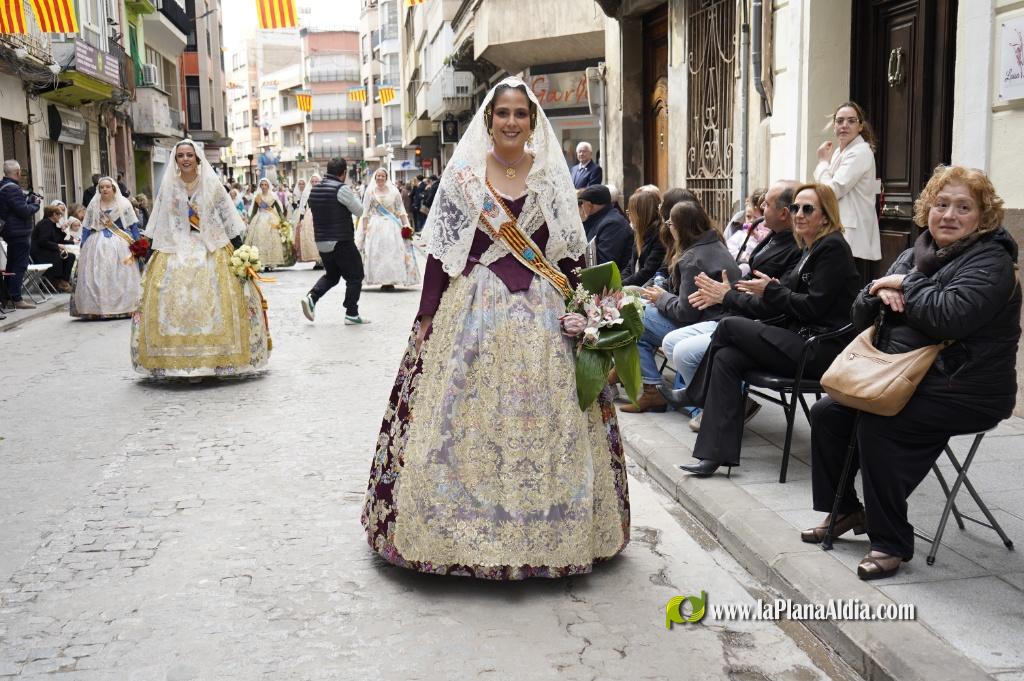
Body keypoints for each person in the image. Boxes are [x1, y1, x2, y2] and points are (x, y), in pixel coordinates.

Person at [360, 76, 629, 579]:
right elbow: (442, 256)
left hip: (545, 316)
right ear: (489, 120)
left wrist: (589, 312)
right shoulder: (463, 176)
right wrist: (426, 315)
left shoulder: (551, 178)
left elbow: (568, 257)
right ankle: (459, 530)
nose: (511, 122)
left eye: (520, 114)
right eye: (502, 113)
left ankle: (548, 530)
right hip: (473, 309)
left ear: (532, 122)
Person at [804, 166, 1021, 581]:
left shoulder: (992, 261)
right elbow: (858, 314)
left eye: (963, 207)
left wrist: (905, 283)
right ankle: (846, 509)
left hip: (966, 387)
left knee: (880, 425)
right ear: (928, 209)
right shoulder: (916, 248)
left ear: (983, 216)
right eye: (941, 205)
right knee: (828, 413)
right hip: (902, 375)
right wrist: (875, 291)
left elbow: (950, 317)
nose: (949, 215)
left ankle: (891, 542)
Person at [671, 183, 860, 477]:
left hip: (819, 348)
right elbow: (778, 305)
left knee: (729, 326)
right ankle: (713, 456)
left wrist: (770, 290)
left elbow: (812, 307)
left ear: (825, 216)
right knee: (728, 357)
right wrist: (741, 295)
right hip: (797, 339)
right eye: (796, 207)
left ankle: (695, 393)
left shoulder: (832, 247)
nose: (798, 213)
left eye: (807, 208)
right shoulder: (808, 248)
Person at [659, 180, 804, 432]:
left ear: (783, 213)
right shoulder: (772, 236)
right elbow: (749, 284)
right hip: (739, 313)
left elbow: (774, 300)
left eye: (766, 204)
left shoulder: (801, 248)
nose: (760, 208)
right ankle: (719, 404)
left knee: (685, 349)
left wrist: (725, 295)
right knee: (672, 342)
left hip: (761, 324)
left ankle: (718, 408)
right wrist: (722, 293)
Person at [131, 139, 270, 378]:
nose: (185, 159)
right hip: (176, 248)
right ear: (176, 160)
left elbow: (227, 216)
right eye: (181, 155)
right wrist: (151, 250)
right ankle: (171, 358)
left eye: (189, 155)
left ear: (197, 159)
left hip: (211, 247)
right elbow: (161, 220)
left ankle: (219, 357)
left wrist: (239, 250)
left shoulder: (211, 184)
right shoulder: (169, 186)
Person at [620, 201, 741, 413]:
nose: (667, 228)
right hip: (713, 319)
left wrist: (661, 299)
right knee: (637, 328)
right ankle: (652, 391)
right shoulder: (713, 243)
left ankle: (656, 391)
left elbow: (686, 312)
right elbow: (679, 290)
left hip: (706, 324)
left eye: (669, 223)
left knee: (632, 313)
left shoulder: (693, 258)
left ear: (680, 227)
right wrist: (659, 293)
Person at [814, 101, 881, 272]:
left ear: (860, 126)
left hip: (853, 238)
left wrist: (822, 163)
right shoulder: (839, 152)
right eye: (840, 121)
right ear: (834, 125)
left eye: (851, 121)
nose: (845, 125)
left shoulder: (860, 151)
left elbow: (831, 190)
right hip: (840, 233)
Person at [300, 157, 366, 325]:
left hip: (322, 241)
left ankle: (312, 298)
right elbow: (359, 210)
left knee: (332, 275)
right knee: (355, 275)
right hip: (341, 240)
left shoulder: (314, 190)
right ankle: (351, 313)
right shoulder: (341, 189)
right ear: (344, 173)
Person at [70, 177, 143, 319]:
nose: (104, 189)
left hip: (120, 242)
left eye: (107, 187)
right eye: (101, 187)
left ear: (113, 188)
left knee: (120, 275)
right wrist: (83, 244)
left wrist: (138, 244)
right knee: (98, 275)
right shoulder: (93, 205)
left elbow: (133, 225)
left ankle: (125, 307)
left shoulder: (124, 204)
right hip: (96, 243)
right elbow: (86, 226)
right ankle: (98, 308)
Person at [357, 168, 419, 290]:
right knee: (376, 252)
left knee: (392, 252)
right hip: (375, 226)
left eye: (382, 176)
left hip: (392, 226)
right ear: (375, 178)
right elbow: (365, 212)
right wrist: (364, 229)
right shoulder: (370, 192)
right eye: (378, 176)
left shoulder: (394, 192)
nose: (380, 178)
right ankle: (378, 278)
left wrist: (407, 226)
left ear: (386, 178)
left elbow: (401, 210)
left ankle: (390, 280)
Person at [0, 159, 42, 310]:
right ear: (18, 173)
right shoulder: (12, 189)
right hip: (18, 232)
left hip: (11, 232)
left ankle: (7, 297)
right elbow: (23, 211)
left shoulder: (4, 186)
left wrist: (27, 201)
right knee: (19, 265)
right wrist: (35, 204)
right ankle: (16, 298)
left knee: (12, 265)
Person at [578, 184, 633, 271]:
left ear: (589, 205)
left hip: (613, 279)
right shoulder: (596, 218)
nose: (581, 207)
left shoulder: (612, 223)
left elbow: (605, 263)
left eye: (582, 203)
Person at [245, 178, 295, 269]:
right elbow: (254, 211)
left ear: (268, 186)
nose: (264, 186)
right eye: (262, 185)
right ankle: (261, 262)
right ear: (260, 186)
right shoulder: (258, 197)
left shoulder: (273, 196)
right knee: (260, 239)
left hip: (271, 220)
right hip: (259, 220)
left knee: (272, 240)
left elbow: (279, 210)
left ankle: (271, 262)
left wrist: (283, 221)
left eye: (265, 185)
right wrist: (249, 221)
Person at [621, 188, 666, 287]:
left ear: (641, 214)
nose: (629, 216)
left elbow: (648, 271)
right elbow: (631, 265)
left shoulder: (659, 236)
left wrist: (621, 285)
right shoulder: (641, 232)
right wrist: (619, 282)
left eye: (631, 212)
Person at [31, 205, 75, 292]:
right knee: (61, 257)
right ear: (54, 214)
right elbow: (43, 241)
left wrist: (71, 241)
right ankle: (56, 282)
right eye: (59, 215)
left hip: (47, 251)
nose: (60, 217)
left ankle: (63, 281)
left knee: (70, 256)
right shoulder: (45, 223)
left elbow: (57, 240)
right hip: (40, 253)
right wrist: (57, 246)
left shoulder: (52, 224)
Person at [291, 174, 322, 267]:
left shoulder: (323, 191)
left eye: (316, 181)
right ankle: (317, 260)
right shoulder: (307, 192)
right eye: (312, 181)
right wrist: (301, 220)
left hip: (322, 215)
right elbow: (303, 207)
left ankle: (322, 260)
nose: (314, 183)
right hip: (310, 216)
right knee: (312, 239)